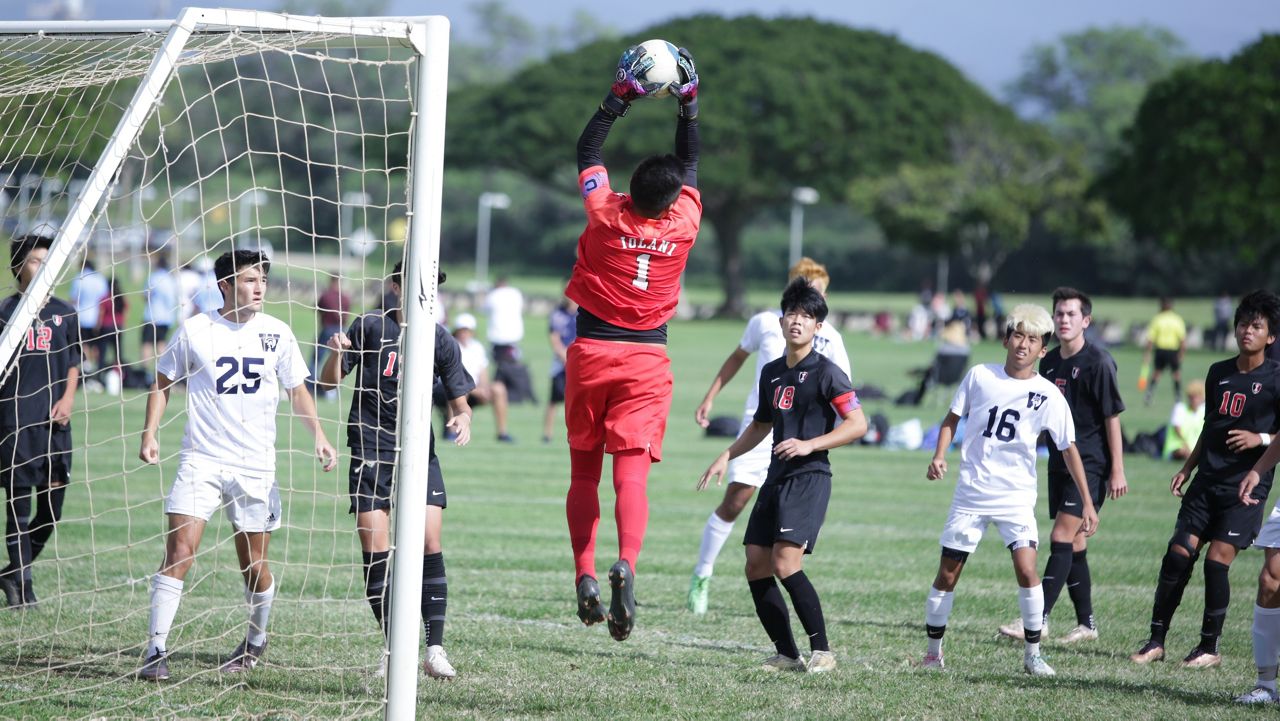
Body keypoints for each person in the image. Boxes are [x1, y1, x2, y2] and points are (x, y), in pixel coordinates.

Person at [135, 249, 337, 681]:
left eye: (262, 278)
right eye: (249, 280)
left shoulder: (278, 334)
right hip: (201, 459)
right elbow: (163, 382)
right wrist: (149, 433)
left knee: (253, 565)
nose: (259, 287)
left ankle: (255, 640)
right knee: (179, 552)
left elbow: (297, 391)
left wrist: (318, 434)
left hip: (256, 466)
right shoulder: (196, 329)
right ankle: (155, 650)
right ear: (225, 285)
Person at [563, 43, 699, 642]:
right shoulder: (685, 224)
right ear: (671, 201)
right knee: (633, 476)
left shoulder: (603, 214)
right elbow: (690, 169)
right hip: (647, 359)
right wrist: (688, 107)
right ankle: (628, 564)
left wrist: (618, 98)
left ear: (630, 189)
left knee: (582, 475)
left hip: (591, 356)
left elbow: (588, 151)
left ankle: (585, 573)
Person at [697, 279, 865, 672]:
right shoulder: (772, 372)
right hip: (775, 476)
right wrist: (726, 454)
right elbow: (760, 425)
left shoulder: (829, 373)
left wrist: (810, 444)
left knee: (786, 563)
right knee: (755, 563)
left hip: (809, 476)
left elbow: (858, 424)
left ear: (818, 327)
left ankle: (823, 651)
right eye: (792, 313)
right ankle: (788, 654)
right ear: (780, 319)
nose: (797, 321)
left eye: (807, 316)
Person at [920, 304, 1097, 677]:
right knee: (948, 574)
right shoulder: (980, 376)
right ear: (1006, 339)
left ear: (1042, 350)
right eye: (1018, 335)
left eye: (1032, 340)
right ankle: (933, 653)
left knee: (1026, 569)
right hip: (972, 491)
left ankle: (1032, 655)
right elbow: (952, 419)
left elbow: (1069, 449)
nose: (1023, 344)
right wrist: (939, 455)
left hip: (1016, 496)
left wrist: (1087, 501)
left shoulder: (1048, 395)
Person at [319, 262, 473, 679]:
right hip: (370, 450)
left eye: (434, 286)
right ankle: (395, 647)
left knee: (429, 542)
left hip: (419, 454)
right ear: (395, 286)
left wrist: (463, 419)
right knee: (376, 555)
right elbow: (328, 382)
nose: (427, 293)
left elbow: (461, 400)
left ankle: (434, 649)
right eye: (417, 284)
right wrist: (335, 354)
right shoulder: (369, 326)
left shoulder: (440, 338)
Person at [1130, 290, 1280, 670]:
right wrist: (1187, 467)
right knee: (1177, 555)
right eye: (1243, 324)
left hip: (1246, 487)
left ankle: (1209, 647)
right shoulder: (1218, 372)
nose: (1247, 331)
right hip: (1206, 480)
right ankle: (1155, 640)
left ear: (1271, 337)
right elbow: (1210, 428)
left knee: (1216, 562)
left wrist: (1259, 440)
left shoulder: (1277, 379)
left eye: (1257, 326)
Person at [996, 288, 1127, 645]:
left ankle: (1037, 620)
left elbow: (1111, 417)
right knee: (1076, 544)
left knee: (1060, 537)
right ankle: (1087, 625)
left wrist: (1117, 469)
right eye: (1059, 314)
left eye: (1071, 314)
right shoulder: (1050, 362)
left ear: (1086, 321)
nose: (1064, 320)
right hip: (1057, 463)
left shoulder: (1099, 362)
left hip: (1090, 464)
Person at [0, 235, 81, 609]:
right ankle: (23, 587)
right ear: (18, 267)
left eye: (48, 261)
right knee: (18, 509)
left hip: (55, 427)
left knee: (52, 509)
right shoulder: (5, 313)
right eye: (35, 261)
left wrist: (67, 399)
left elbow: (74, 362)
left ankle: (12, 571)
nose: (44, 268)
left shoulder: (66, 312)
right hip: (15, 424)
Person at [451, 313, 513, 443]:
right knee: (458, 391)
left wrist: (483, 388)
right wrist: (473, 390)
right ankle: (454, 432)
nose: (465, 333)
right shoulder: (452, 346)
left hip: (475, 388)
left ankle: (502, 432)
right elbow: (453, 377)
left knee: (499, 388)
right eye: (462, 330)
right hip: (457, 387)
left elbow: (482, 371)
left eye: (467, 330)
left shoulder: (477, 347)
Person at [542, 288, 577, 444]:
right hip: (561, 362)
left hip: (581, 362)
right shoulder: (558, 314)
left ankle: (577, 434)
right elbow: (554, 337)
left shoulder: (585, 312)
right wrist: (564, 356)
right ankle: (547, 434)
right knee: (554, 399)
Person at [141, 250, 179, 382]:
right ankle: (162, 372)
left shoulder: (154, 277)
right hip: (166, 317)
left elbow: (145, 295)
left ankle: (145, 372)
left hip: (151, 316)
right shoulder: (171, 279)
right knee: (161, 343)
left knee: (147, 343)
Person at [1142, 297, 1187, 406]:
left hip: (1161, 350)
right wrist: (1181, 353)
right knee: (1176, 374)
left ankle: (1149, 394)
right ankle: (1178, 397)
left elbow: (1150, 339)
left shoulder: (1157, 319)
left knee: (1157, 373)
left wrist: (1147, 353)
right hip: (1172, 350)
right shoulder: (1177, 319)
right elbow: (1182, 339)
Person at [312, 275, 351, 399]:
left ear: (331, 281)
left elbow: (317, 307)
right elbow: (347, 315)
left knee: (316, 360)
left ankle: (313, 387)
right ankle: (333, 391)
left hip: (328, 329)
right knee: (338, 361)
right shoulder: (345, 298)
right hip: (341, 331)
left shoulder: (326, 296)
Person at [70, 256, 107, 379]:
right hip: (97, 317)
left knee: (83, 343)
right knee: (95, 344)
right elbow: (105, 298)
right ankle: (94, 368)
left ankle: (87, 366)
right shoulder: (100, 279)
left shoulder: (79, 278)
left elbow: (74, 299)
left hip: (81, 316)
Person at [94, 275, 128, 393]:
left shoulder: (105, 298)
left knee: (102, 355)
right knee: (118, 355)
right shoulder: (121, 298)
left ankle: (99, 378)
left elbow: (101, 314)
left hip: (106, 328)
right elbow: (125, 313)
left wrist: (97, 328)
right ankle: (120, 377)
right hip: (118, 328)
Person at [1163, 381, 1206, 461]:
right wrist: (1186, 446)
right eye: (1192, 397)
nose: (1195, 400)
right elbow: (1177, 428)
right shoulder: (1180, 408)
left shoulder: (1203, 411)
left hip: (1195, 449)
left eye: (1197, 397)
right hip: (1177, 447)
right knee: (1182, 452)